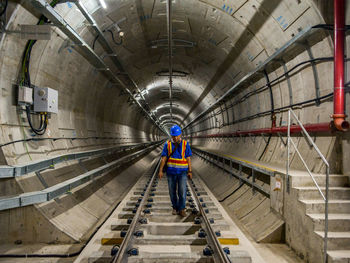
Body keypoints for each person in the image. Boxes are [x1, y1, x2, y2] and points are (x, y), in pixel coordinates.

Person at [158, 125, 192, 217]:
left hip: (182, 173)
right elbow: (164, 159)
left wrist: (190, 171)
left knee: (182, 191)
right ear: (171, 135)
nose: (175, 137)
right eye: (173, 136)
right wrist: (160, 170)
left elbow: (188, 158)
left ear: (180, 134)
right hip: (171, 172)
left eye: (177, 135)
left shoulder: (185, 144)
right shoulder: (167, 145)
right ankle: (175, 207)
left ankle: (181, 209)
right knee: (172, 191)